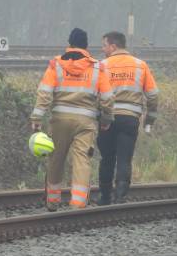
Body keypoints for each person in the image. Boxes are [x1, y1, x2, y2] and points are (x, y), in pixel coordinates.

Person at [30, 28, 114, 210]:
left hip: (60, 120)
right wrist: (107, 119)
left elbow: (44, 93)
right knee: (82, 159)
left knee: (55, 158)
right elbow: (107, 97)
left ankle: (52, 200)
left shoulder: (56, 65)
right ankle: (78, 202)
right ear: (86, 46)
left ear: (69, 44)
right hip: (86, 122)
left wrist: (37, 116)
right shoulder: (98, 67)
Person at [97, 31, 159, 205]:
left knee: (107, 157)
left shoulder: (102, 65)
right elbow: (153, 95)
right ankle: (120, 196)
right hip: (129, 119)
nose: (103, 49)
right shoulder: (140, 66)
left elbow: (95, 92)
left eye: (104, 45)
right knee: (124, 158)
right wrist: (149, 120)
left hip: (106, 120)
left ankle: (104, 196)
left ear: (113, 46)